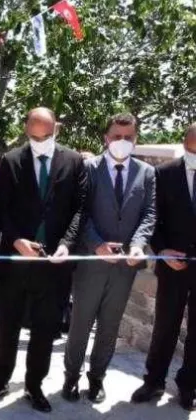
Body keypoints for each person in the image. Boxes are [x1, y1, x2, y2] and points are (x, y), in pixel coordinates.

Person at [0, 107, 87, 413]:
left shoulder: (74, 161)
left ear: (57, 129)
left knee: (45, 328)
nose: (40, 140)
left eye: (47, 134)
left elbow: (80, 208)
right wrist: (15, 241)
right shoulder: (13, 161)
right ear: (26, 129)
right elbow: (1, 209)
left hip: (55, 263)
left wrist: (67, 244)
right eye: (34, 135)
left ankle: (34, 385)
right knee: (8, 326)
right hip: (17, 261)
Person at [62, 113, 156, 403]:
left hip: (125, 267)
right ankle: (71, 378)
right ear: (106, 138)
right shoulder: (88, 168)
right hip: (91, 263)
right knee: (80, 325)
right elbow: (79, 212)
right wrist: (97, 244)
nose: (122, 142)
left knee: (110, 326)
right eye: (117, 136)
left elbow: (149, 214)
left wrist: (139, 244)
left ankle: (97, 379)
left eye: (128, 137)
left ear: (135, 139)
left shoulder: (146, 173)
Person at [132, 123, 196, 411]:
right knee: (165, 326)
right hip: (171, 265)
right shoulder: (164, 173)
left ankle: (188, 385)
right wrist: (162, 250)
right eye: (193, 149)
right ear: (184, 145)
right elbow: (151, 219)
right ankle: (154, 380)